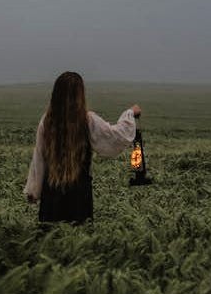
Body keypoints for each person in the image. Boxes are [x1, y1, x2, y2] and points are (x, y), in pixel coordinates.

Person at [24, 71, 141, 223]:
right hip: (79, 195)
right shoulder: (87, 120)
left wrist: (34, 190)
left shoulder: (47, 121)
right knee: (79, 236)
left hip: (51, 194)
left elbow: (39, 158)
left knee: (51, 240)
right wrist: (130, 113)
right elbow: (115, 136)